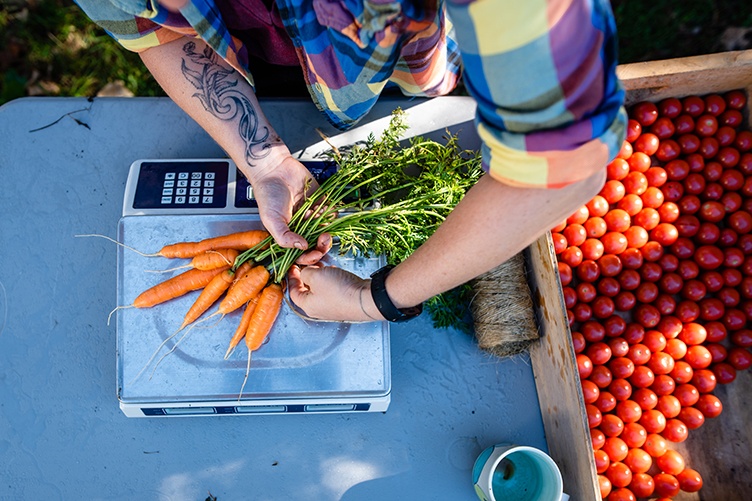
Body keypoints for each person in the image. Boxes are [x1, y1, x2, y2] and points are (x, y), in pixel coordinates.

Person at [74, 0, 627, 323]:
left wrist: (376, 300)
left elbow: (563, 169)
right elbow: (149, 27)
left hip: (406, 70)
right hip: (251, 49)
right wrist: (264, 160)